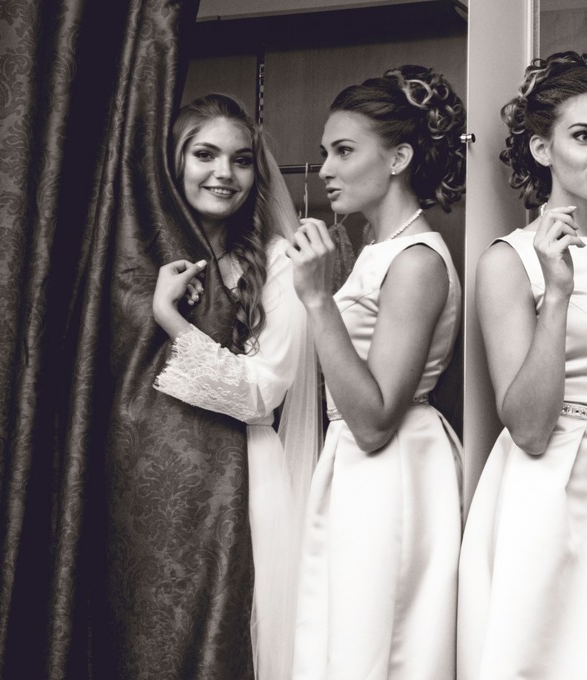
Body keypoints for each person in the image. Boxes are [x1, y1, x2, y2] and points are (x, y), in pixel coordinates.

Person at [456, 52, 587, 680]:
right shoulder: (508, 260)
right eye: (584, 136)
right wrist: (559, 293)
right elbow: (527, 427)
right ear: (542, 149)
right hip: (555, 487)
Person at [287, 65, 465, 680]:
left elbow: (374, 420)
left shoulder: (415, 261)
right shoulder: (376, 250)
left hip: (390, 467)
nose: (326, 169)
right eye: (325, 153)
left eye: (344, 151)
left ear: (398, 158)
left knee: (380, 646)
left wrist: (317, 299)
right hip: (360, 467)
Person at [150, 93, 318, 679]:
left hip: (244, 479)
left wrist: (171, 321)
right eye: (205, 154)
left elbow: (261, 393)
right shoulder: (136, 255)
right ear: (173, 161)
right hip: (156, 483)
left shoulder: (280, 263)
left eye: (241, 160)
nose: (224, 173)